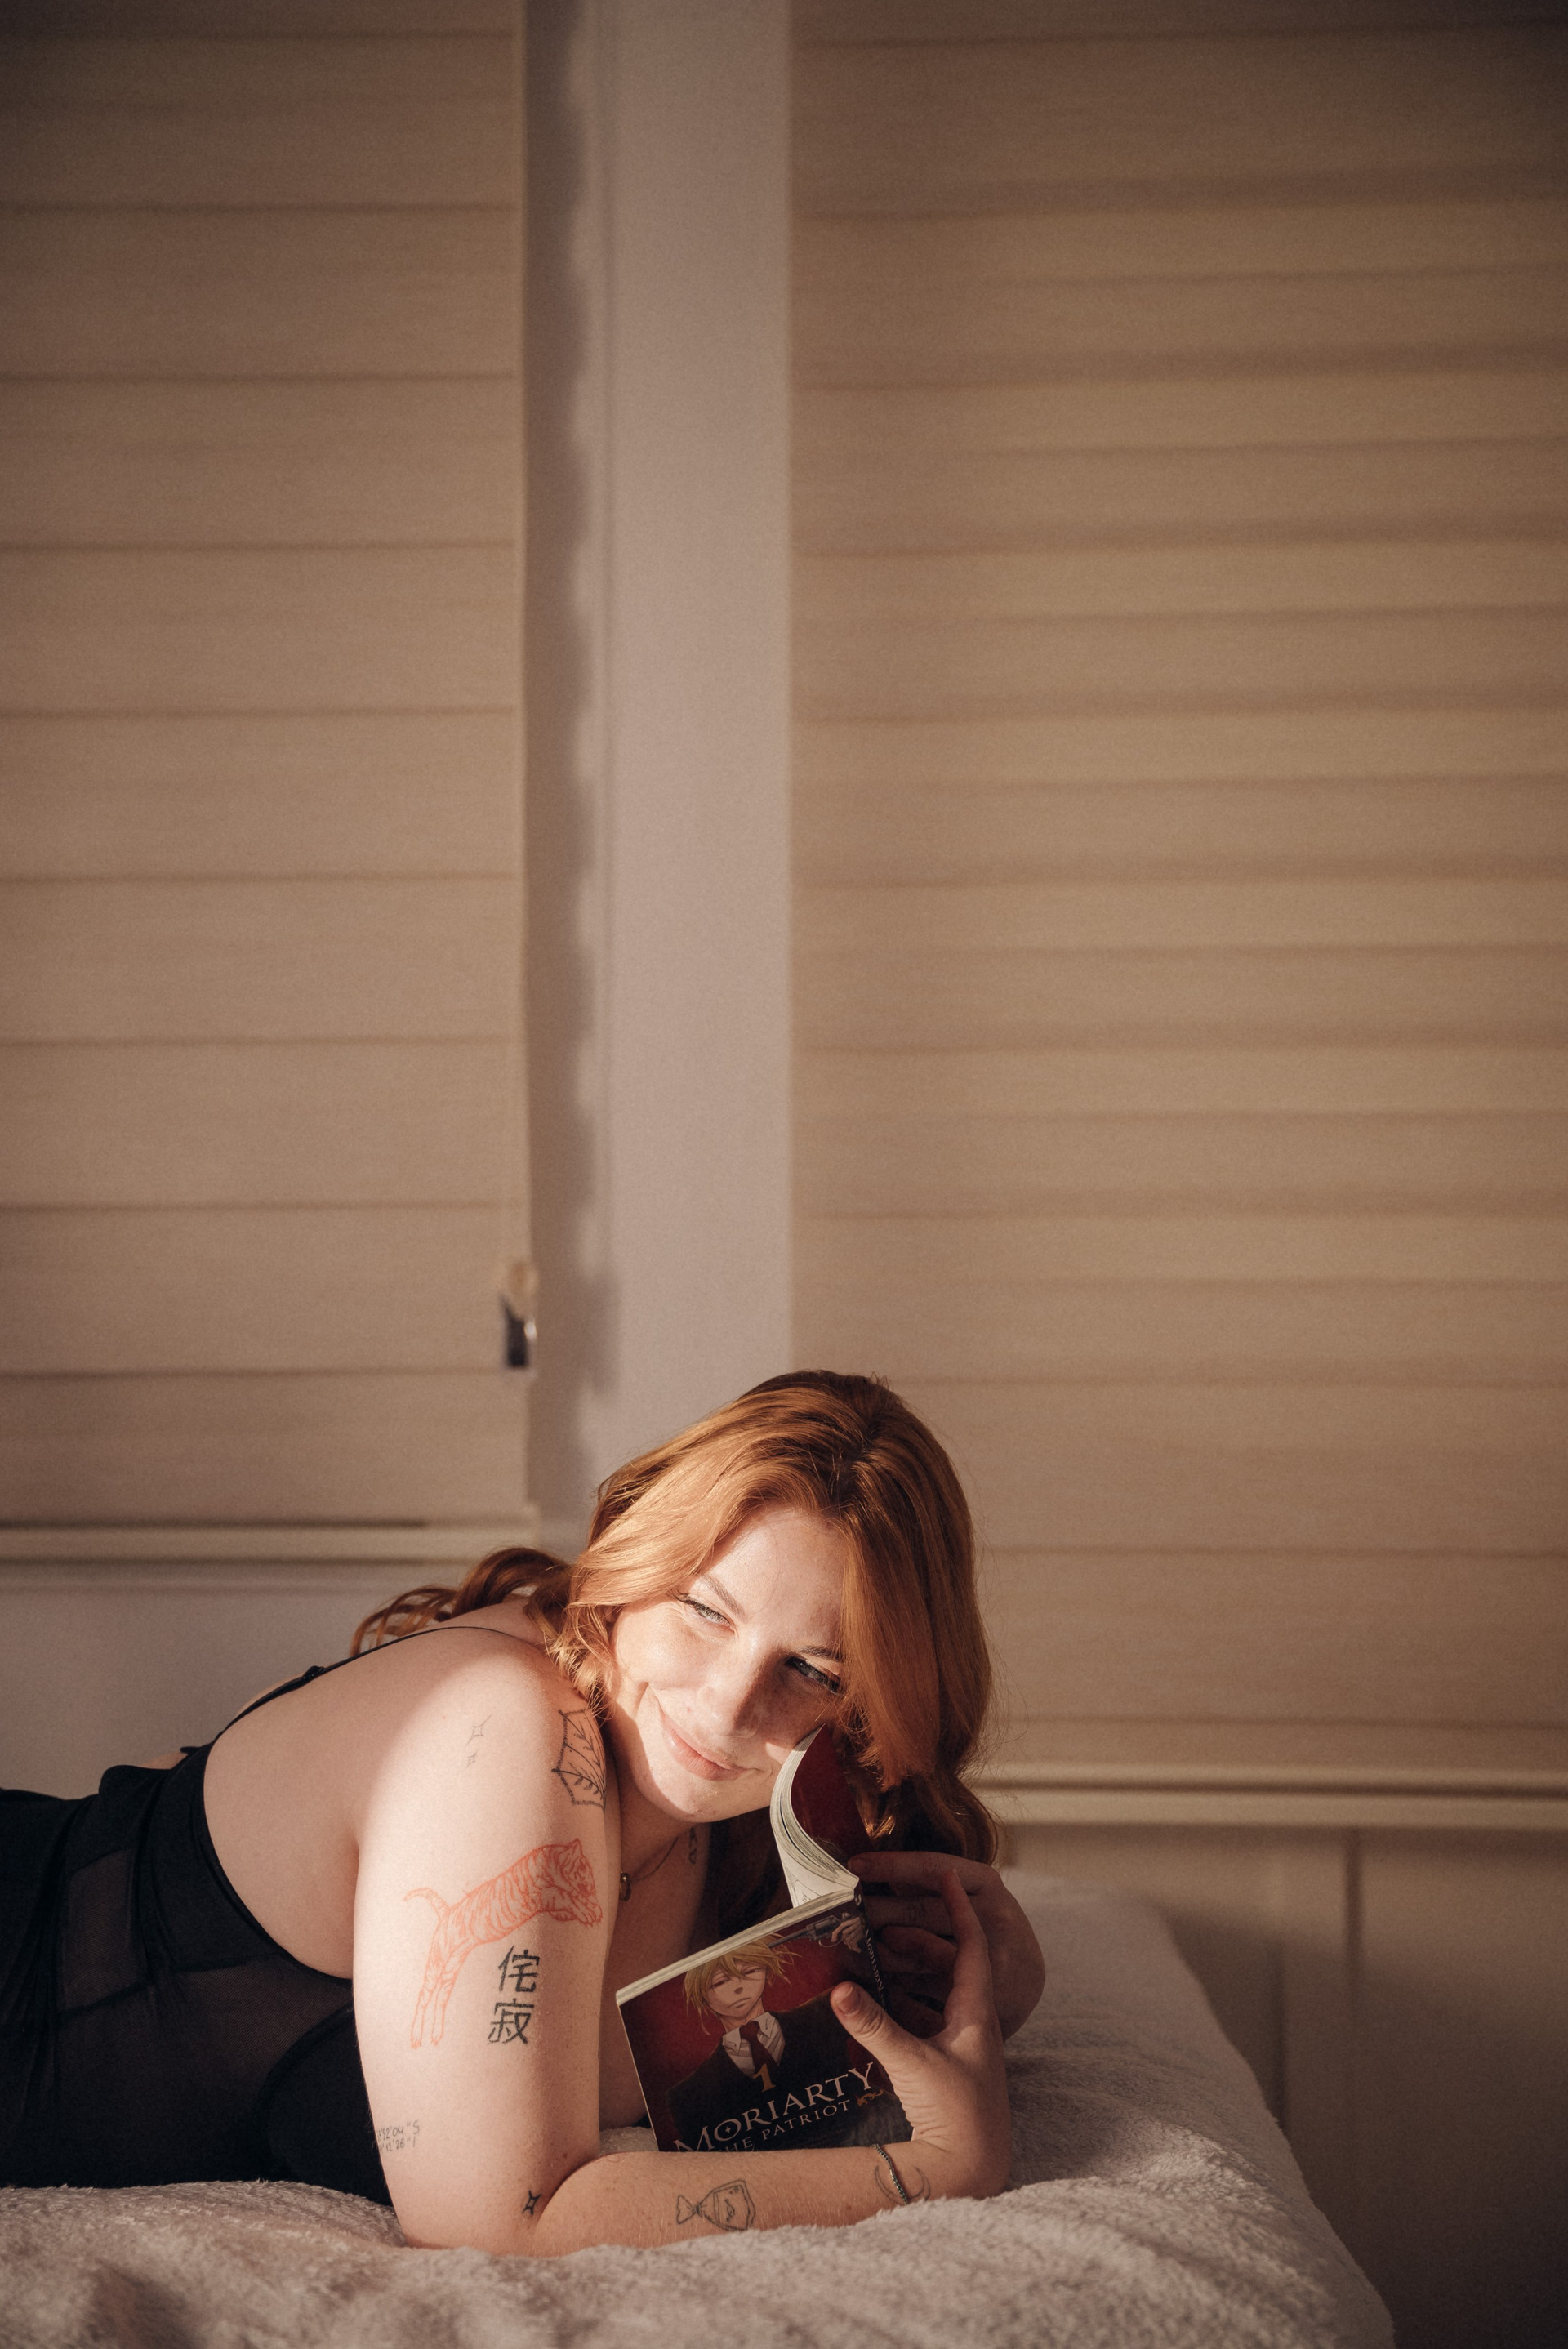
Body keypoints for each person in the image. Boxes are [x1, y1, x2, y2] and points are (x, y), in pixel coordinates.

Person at [0, 1371, 1044, 2253]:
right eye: (704, 1609)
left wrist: (994, 1983)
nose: (730, 1707)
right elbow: (506, 2218)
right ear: (637, 1556)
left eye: (812, 1668)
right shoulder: (505, 1729)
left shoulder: (745, 1817)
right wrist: (937, 2168)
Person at [666, 1941, 905, 2154]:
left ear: (767, 1973)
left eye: (750, 1972)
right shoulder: (689, 2094)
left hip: (872, 2148)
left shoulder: (826, 2013)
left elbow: (884, 1995)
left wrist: (858, 1943)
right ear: (702, 1997)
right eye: (720, 1982)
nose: (738, 1987)